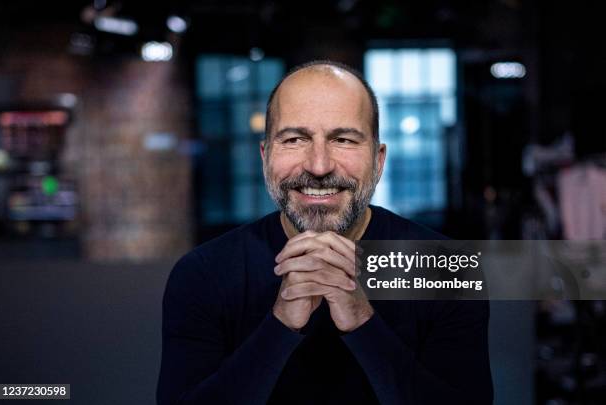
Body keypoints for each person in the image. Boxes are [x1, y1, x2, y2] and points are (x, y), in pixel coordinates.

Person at [156, 60, 493, 404]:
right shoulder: (203, 274)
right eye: (295, 139)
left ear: (378, 161)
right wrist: (280, 325)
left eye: (343, 139)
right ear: (265, 156)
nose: (319, 166)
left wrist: (362, 322)